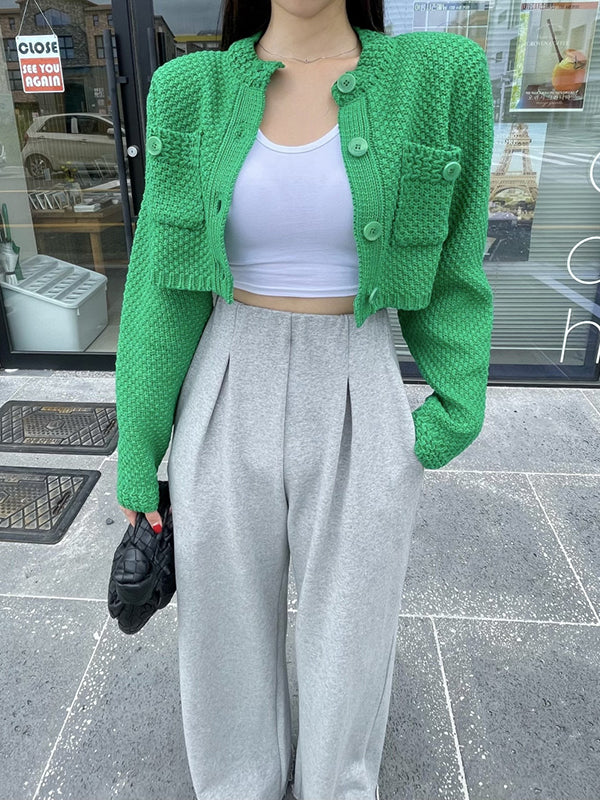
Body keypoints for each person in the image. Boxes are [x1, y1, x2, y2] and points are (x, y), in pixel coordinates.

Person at [114, 1, 495, 798]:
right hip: (226, 383)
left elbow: (457, 261)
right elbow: (161, 286)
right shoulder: (191, 88)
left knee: (353, 636)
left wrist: (450, 413)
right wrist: (140, 452)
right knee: (221, 637)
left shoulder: (436, 78)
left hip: (358, 385)